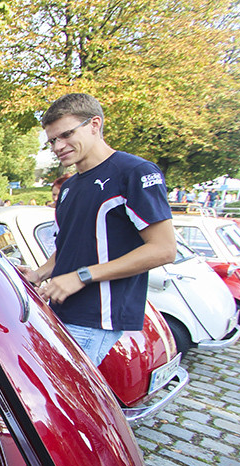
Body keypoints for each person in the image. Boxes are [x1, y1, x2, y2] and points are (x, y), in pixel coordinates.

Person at [19, 93, 175, 365]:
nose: (58, 146)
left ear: (94, 124)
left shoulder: (134, 171)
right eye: (53, 140)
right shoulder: (68, 186)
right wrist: (38, 273)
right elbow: (70, 245)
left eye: (66, 134)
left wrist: (80, 276)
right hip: (60, 311)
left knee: (64, 402)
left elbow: (163, 250)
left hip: (94, 319)